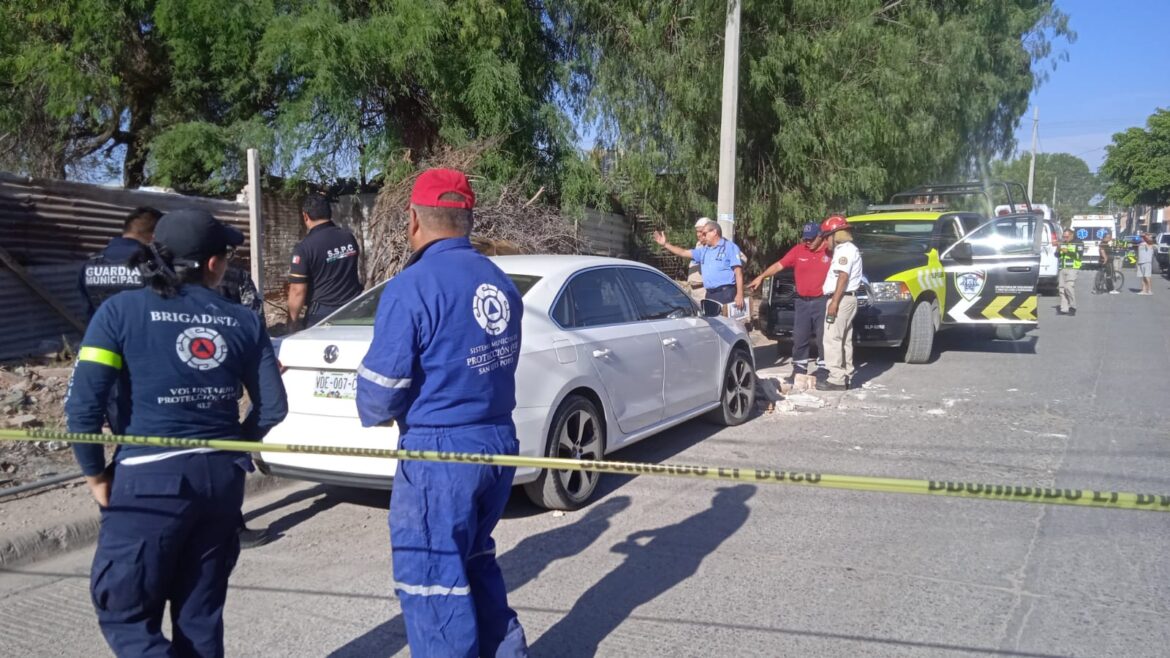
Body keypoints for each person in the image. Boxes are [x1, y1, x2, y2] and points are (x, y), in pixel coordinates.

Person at [65, 209, 288, 657]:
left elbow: (83, 409)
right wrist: (234, 447)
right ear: (212, 265)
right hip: (221, 483)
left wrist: (95, 476)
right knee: (200, 619)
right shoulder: (242, 320)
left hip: (147, 483)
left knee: (125, 613)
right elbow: (274, 406)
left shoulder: (118, 312)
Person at [355, 169, 528, 657]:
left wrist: (367, 401)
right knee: (474, 562)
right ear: (468, 219)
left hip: (440, 454)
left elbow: (379, 394)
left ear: (412, 219)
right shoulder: (500, 282)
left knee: (433, 583)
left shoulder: (412, 287)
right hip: (497, 443)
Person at [748, 222, 830, 376]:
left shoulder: (830, 251)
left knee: (823, 337)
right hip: (802, 302)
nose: (808, 242)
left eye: (811, 239)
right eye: (805, 239)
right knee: (800, 336)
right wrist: (761, 276)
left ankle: (823, 368)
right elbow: (779, 265)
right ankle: (799, 369)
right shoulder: (799, 250)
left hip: (822, 301)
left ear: (820, 236)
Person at [287, 195, 364, 330]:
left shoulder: (304, 248)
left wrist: (292, 321)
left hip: (323, 314)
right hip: (353, 308)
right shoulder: (349, 238)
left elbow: (297, 290)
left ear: (305, 216)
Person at [79, 206, 162, 317]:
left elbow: (87, 310)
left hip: (102, 332)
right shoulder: (155, 263)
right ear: (154, 235)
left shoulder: (91, 263)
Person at [653, 222, 745, 310]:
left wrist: (740, 294)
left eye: (704, 233)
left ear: (714, 232)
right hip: (710, 294)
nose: (702, 236)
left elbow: (738, 272)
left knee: (727, 324)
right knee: (713, 324)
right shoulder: (704, 250)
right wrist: (665, 244)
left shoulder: (729, 247)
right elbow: (683, 252)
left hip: (726, 293)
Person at [818, 215, 863, 391]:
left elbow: (843, 277)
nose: (825, 241)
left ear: (835, 235)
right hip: (848, 298)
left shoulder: (844, 250)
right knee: (845, 339)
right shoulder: (849, 249)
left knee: (832, 338)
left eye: (826, 237)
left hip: (841, 298)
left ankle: (836, 378)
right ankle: (847, 375)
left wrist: (834, 302)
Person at [686, 218, 716, 299]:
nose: (698, 234)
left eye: (701, 231)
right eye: (697, 231)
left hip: (704, 291)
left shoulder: (717, 245)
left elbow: (741, 259)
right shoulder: (699, 245)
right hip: (693, 291)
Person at [1057, 229, 1082, 316]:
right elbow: (1057, 255)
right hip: (1063, 268)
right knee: (1062, 289)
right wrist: (1058, 247)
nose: (1065, 238)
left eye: (1066, 237)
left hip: (1073, 268)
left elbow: (1079, 255)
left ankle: (1073, 307)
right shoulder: (1063, 243)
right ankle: (1064, 308)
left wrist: (1066, 251)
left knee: (1069, 287)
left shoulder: (1078, 242)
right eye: (1064, 236)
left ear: (1071, 235)